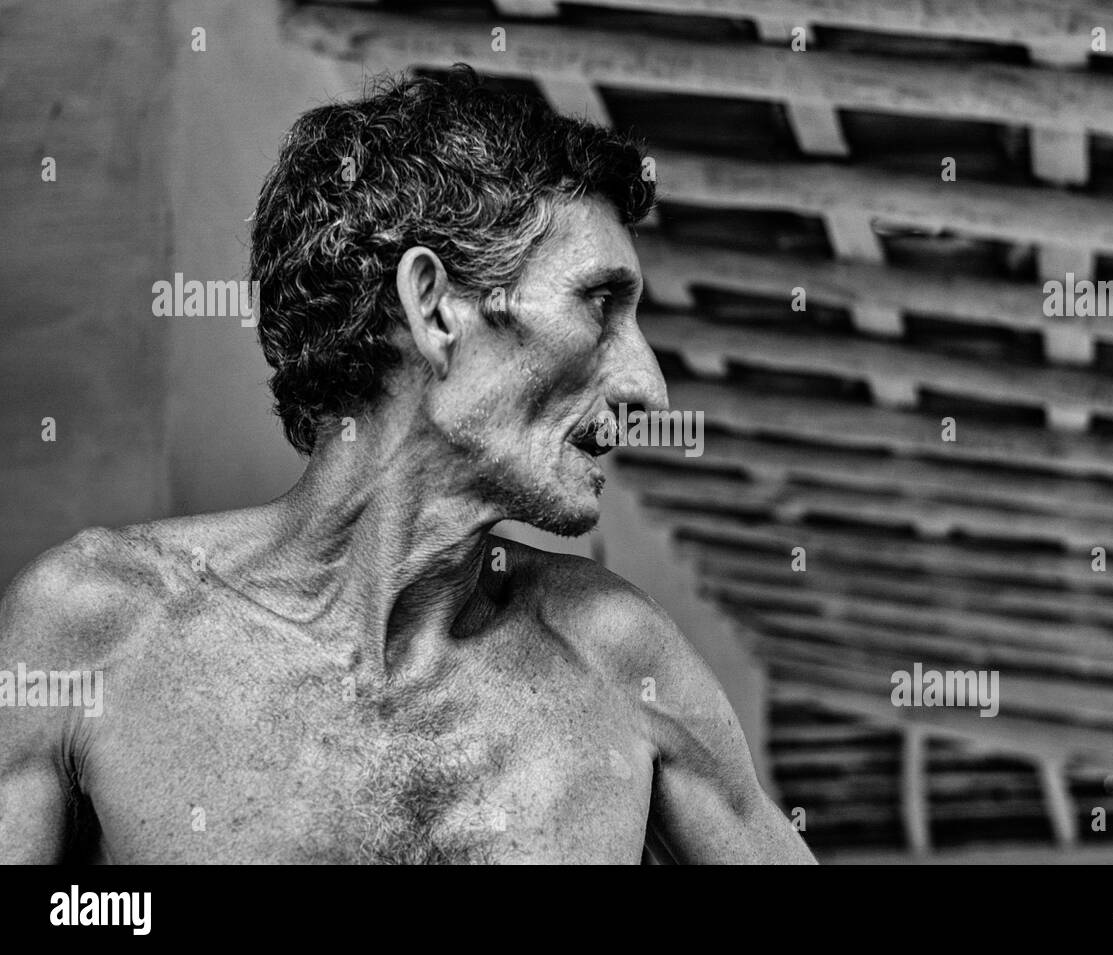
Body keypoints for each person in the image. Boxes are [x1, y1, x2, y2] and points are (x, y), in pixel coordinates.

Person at [0, 67, 815, 864]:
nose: (649, 387)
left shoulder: (616, 656)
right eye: (600, 304)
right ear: (433, 307)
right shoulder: (95, 631)